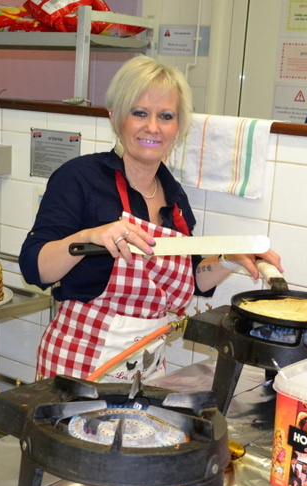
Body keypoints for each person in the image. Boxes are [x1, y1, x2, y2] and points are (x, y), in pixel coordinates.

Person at [19, 55, 282, 380]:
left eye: (166, 116)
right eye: (139, 113)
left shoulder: (175, 199)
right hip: (77, 364)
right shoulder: (80, 178)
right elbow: (34, 268)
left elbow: (194, 279)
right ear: (116, 118)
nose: (153, 127)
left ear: (178, 127)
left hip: (147, 366)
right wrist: (87, 237)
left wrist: (229, 260)